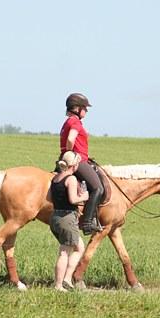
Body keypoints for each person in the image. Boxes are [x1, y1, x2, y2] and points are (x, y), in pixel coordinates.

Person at [59, 92, 105, 234]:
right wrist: (71, 154)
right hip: (77, 161)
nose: (86, 111)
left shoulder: (67, 121)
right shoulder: (75, 122)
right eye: (85, 108)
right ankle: (87, 223)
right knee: (98, 188)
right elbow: (71, 139)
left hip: (76, 158)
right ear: (77, 108)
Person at [48, 151, 89, 291]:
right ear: (74, 165)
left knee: (79, 248)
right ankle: (59, 285)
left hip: (55, 217)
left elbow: (49, 198)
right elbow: (73, 199)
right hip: (67, 218)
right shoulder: (70, 179)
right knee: (64, 252)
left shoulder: (55, 178)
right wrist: (84, 196)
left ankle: (66, 279)